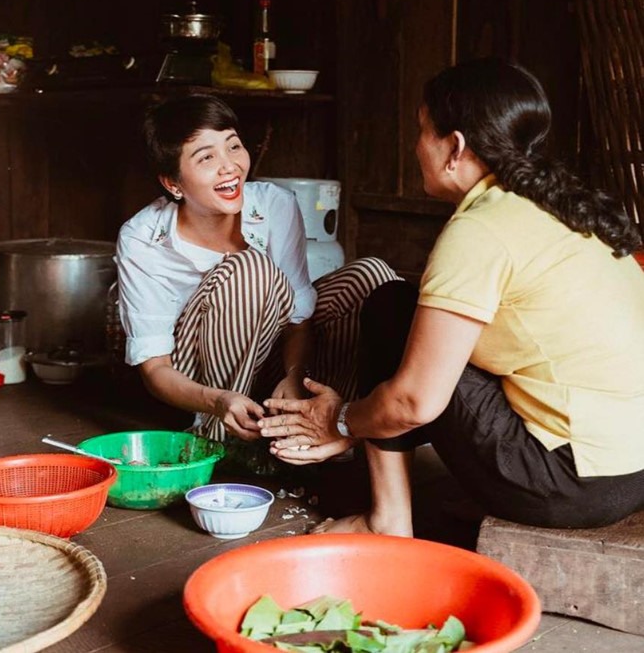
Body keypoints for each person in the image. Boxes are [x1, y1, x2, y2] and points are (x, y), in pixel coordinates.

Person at [259, 57, 644, 532]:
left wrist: (342, 421)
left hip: (566, 484)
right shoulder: (565, 210)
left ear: (455, 147)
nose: (415, 146)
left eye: (422, 130)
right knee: (416, 318)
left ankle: (389, 520)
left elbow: (413, 403)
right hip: (630, 472)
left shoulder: (482, 228)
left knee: (390, 309)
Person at [116, 93, 400, 449]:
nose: (230, 166)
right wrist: (218, 401)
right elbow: (155, 369)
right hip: (202, 384)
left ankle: (319, 433)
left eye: (233, 146)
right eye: (206, 157)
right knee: (248, 268)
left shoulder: (275, 205)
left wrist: (294, 376)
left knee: (371, 277)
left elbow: (298, 315)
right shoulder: (143, 238)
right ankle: (221, 440)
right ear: (173, 184)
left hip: (268, 359)